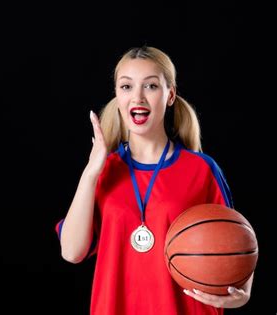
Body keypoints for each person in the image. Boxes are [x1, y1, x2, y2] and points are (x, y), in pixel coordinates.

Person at [55, 46, 253, 315]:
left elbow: (238, 240)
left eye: (150, 86)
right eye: (126, 87)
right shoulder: (104, 170)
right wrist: (91, 172)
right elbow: (71, 252)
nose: (137, 97)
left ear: (170, 95)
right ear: (117, 95)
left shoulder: (201, 169)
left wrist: (243, 293)